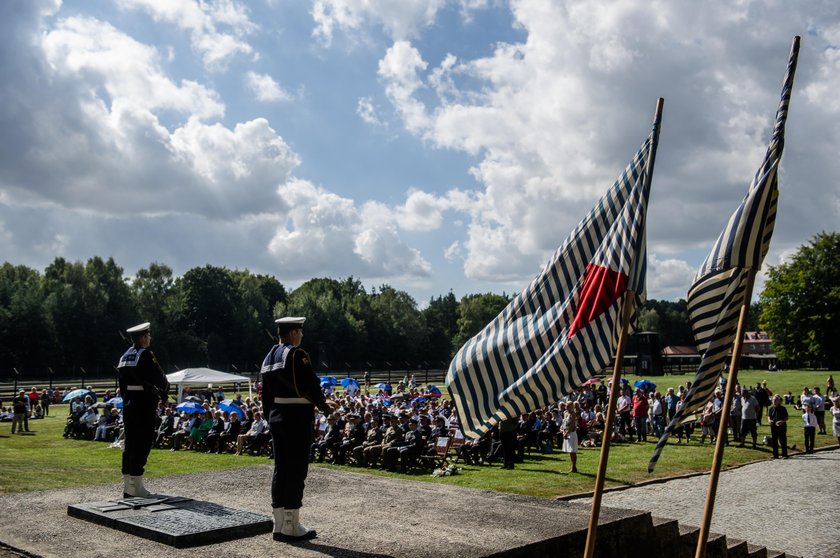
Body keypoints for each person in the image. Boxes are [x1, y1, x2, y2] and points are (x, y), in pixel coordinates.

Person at [261, 316, 332, 542]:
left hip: (277, 416)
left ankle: (279, 523)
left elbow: (266, 395)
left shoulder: (269, 356)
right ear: (293, 332)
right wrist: (324, 406)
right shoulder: (296, 354)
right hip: (297, 417)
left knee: (281, 469)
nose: (302, 336)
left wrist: (269, 416)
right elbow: (310, 384)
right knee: (297, 469)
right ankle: (292, 525)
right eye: (300, 332)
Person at [117, 321, 170, 497]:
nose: (150, 338)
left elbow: (122, 385)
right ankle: (137, 486)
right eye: (148, 335)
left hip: (129, 402)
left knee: (130, 443)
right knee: (143, 441)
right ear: (143, 337)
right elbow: (160, 378)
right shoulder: (146, 355)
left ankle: (128, 486)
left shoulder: (124, 356)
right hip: (144, 402)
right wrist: (164, 390)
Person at [767, 394, 788, 459]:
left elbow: (786, 417)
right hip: (773, 426)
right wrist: (769, 420)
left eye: (776, 400)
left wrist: (781, 421)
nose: (774, 401)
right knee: (774, 440)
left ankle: (784, 454)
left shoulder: (783, 408)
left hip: (781, 426)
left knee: (782, 440)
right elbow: (768, 416)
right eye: (773, 400)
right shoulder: (771, 408)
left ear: (779, 401)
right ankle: (775, 454)